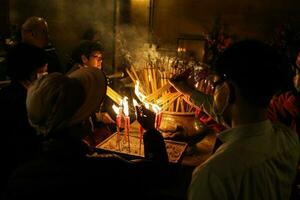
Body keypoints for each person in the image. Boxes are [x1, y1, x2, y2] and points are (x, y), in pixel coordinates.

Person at [4, 67, 171, 200]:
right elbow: (157, 174)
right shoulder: (105, 170)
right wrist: (150, 130)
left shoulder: (20, 177)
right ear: (83, 121)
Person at [171, 39, 299, 200]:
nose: (214, 90)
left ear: (228, 90)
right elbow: (234, 115)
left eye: (215, 84)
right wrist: (188, 91)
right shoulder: (289, 140)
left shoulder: (212, 175)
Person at [0, 43, 48, 196]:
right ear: (32, 72)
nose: (44, 77)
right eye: (43, 72)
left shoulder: (7, 92)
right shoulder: (24, 100)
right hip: (20, 172)